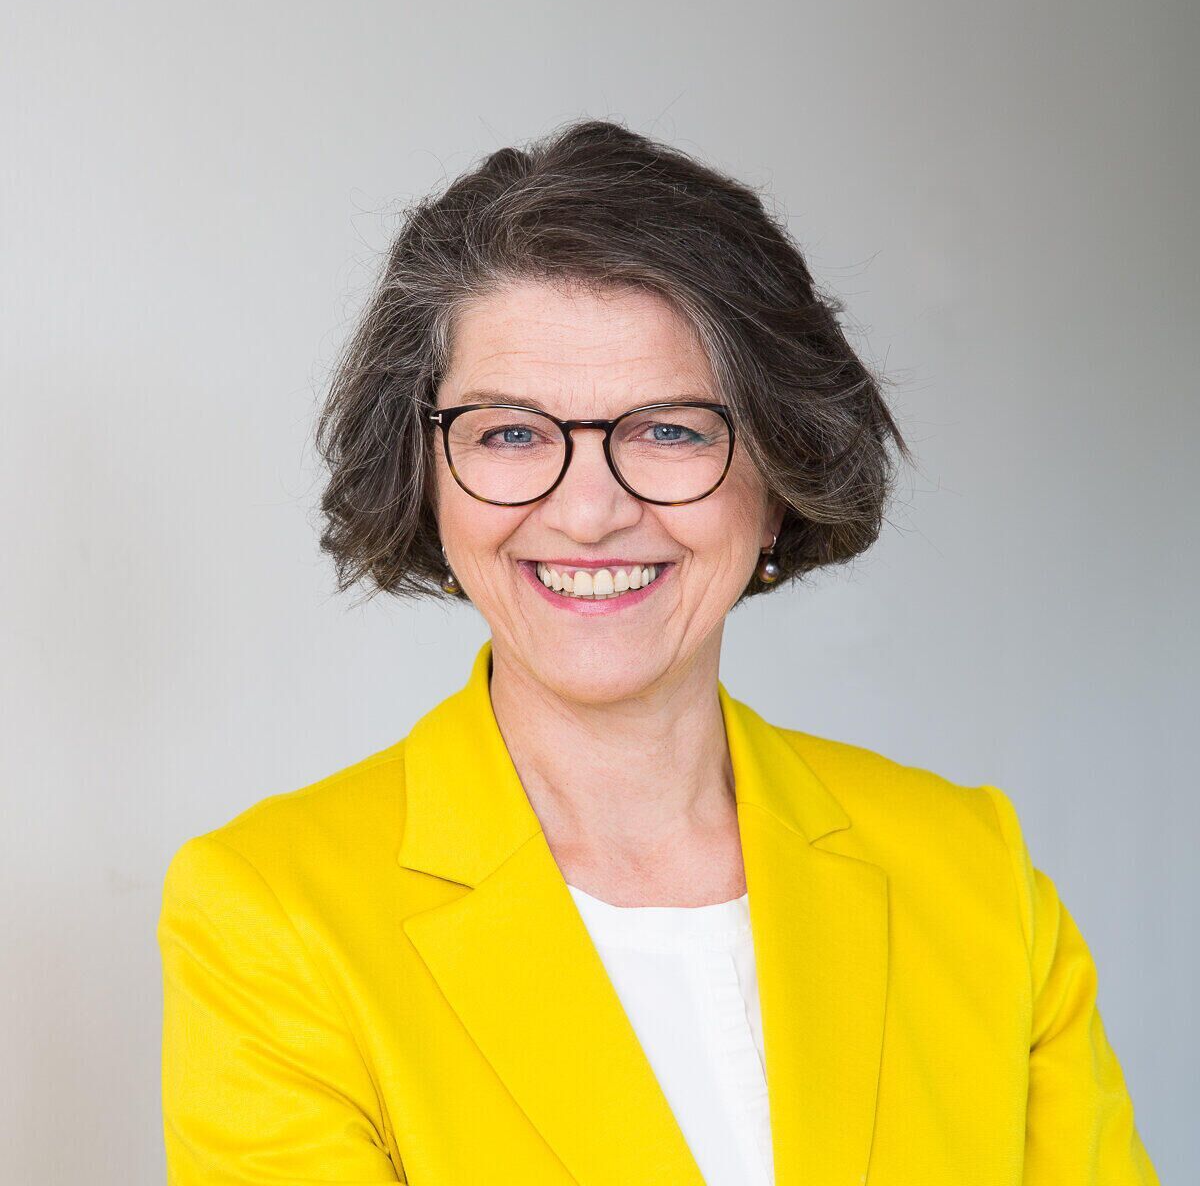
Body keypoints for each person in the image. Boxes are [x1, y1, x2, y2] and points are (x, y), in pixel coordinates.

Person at [157, 119, 1159, 1185]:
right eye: (509, 433)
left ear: (778, 475)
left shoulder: (977, 877)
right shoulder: (273, 914)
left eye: (669, 430)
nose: (589, 511)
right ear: (426, 479)